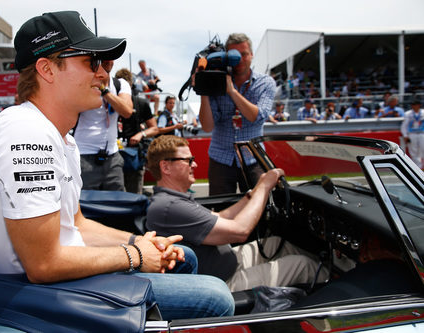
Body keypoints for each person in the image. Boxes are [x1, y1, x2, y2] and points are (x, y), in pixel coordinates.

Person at [0, 11, 234, 320]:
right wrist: (134, 255)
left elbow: (77, 225)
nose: (104, 75)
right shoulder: (25, 132)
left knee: (183, 256)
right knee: (217, 297)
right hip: (35, 293)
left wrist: (139, 241)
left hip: (55, 279)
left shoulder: (59, 137)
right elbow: (43, 265)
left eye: (105, 64)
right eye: (91, 62)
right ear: (47, 69)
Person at [145, 135, 328, 292]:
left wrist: (253, 193)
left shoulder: (173, 201)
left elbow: (222, 217)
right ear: (165, 167)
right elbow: (240, 231)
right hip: (221, 282)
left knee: (280, 245)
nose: (195, 164)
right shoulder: (170, 206)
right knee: (304, 265)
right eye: (188, 160)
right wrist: (264, 186)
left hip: (226, 263)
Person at [199, 33, 275, 196]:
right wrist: (204, 89)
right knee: (221, 210)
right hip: (221, 158)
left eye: (244, 54)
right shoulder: (216, 81)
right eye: (234, 55)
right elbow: (207, 126)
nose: (239, 59)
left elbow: (257, 116)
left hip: (253, 157)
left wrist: (231, 91)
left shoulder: (265, 83)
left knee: (258, 208)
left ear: (252, 55)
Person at [74, 59, 133, 191]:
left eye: (111, 56)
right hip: (84, 155)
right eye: (103, 56)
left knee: (118, 204)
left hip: (112, 156)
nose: (108, 61)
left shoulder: (120, 84)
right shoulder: (83, 82)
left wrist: (104, 90)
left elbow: (127, 111)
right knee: (85, 206)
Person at [115, 68, 159, 194]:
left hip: (133, 158)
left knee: (134, 197)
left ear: (130, 85)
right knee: (114, 200)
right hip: (112, 158)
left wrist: (141, 134)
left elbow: (155, 128)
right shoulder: (109, 102)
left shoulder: (141, 103)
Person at [401, 99, 424, 168]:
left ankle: (422, 166)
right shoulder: (408, 114)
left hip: (422, 133)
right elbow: (404, 125)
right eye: (413, 105)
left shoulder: (423, 112)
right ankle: (417, 167)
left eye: (415, 104)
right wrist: (405, 135)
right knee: (413, 151)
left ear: (419, 105)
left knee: (423, 149)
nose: (414, 106)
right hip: (412, 134)